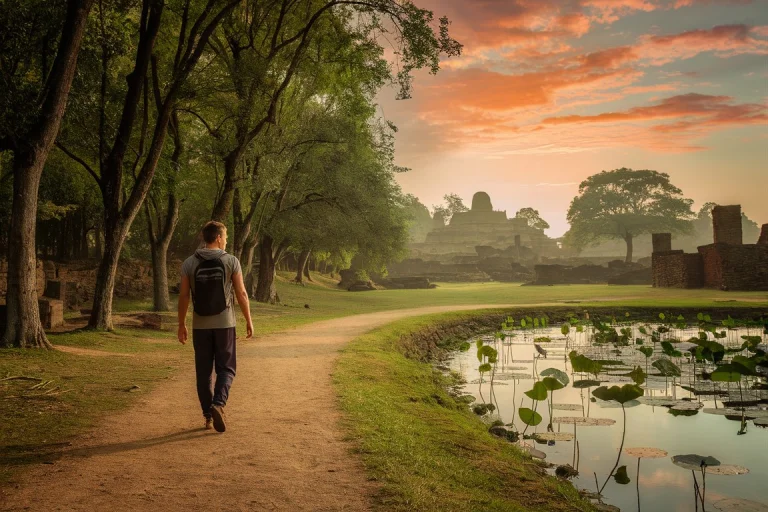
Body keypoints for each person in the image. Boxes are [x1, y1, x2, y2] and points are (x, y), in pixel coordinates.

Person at [178, 221, 253, 432]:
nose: (226, 240)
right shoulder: (231, 261)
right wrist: (248, 320)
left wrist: (181, 324)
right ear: (218, 237)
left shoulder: (189, 263)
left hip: (200, 325)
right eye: (225, 237)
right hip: (225, 324)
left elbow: (184, 296)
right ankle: (218, 404)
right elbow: (241, 294)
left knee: (203, 373)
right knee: (226, 368)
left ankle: (207, 416)